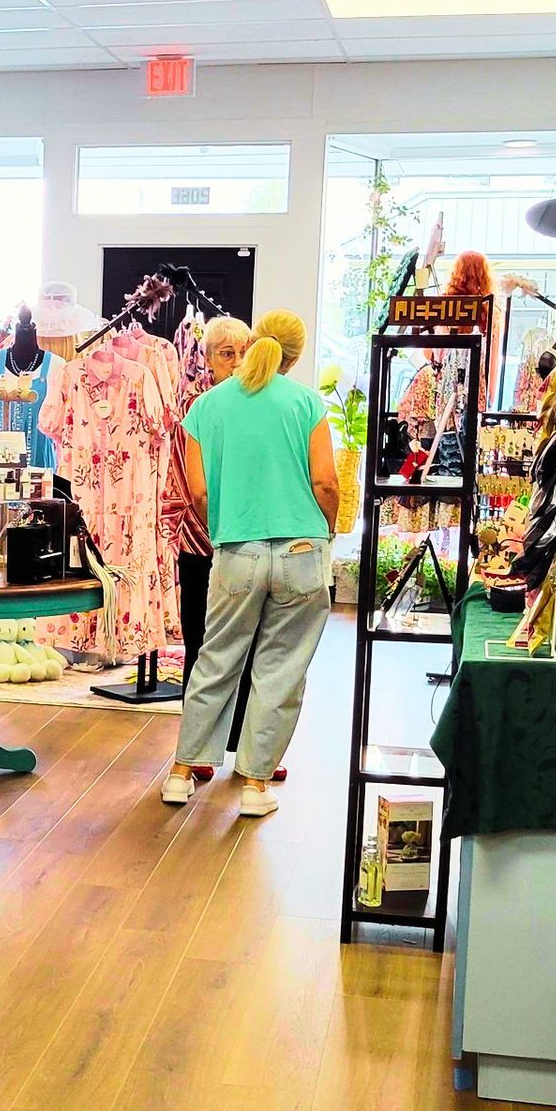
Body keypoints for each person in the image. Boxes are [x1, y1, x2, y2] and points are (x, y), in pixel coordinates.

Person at [161, 309, 336, 818]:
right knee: (280, 669)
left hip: (236, 550)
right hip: (301, 551)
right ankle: (255, 785)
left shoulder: (207, 406)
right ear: (295, 355)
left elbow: (196, 490)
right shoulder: (306, 402)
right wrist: (326, 528)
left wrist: (226, 525)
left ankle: (181, 773)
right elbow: (325, 482)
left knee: (215, 659)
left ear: (254, 341)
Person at [166, 316, 265, 783]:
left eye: (244, 350)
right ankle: (199, 748)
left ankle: (246, 748)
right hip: (204, 540)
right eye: (226, 352)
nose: (237, 361)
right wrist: (218, 524)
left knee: (252, 643)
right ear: (205, 358)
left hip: (250, 540)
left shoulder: (262, 401)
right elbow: (190, 485)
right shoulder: (195, 405)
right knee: (201, 645)